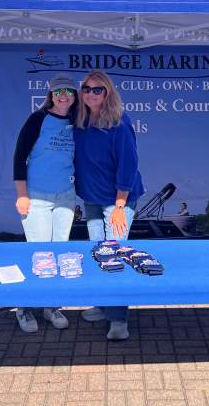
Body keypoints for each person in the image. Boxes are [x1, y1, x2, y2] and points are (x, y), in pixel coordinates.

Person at [74, 70, 144, 341]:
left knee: (113, 255)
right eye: (87, 89)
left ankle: (118, 320)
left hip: (118, 200)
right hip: (92, 198)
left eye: (97, 89)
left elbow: (129, 164)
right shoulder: (80, 120)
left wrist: (119, 206)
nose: (91, 93)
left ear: (108, 93)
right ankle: (103, 306)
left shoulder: (119, 122)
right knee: (98, 253)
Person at [12, 74, 78, 333]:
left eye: (68, 91)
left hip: (65, 196)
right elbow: (19, 156)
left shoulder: (76, 121)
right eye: (58, 91)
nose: (63, 96)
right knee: (39, 254)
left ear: (75, 96)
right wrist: (22, 194)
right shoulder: (37, 119)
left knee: (59, 253)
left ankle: (51, 306)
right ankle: (24, 308)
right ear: (51, 95)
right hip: (37, 197)